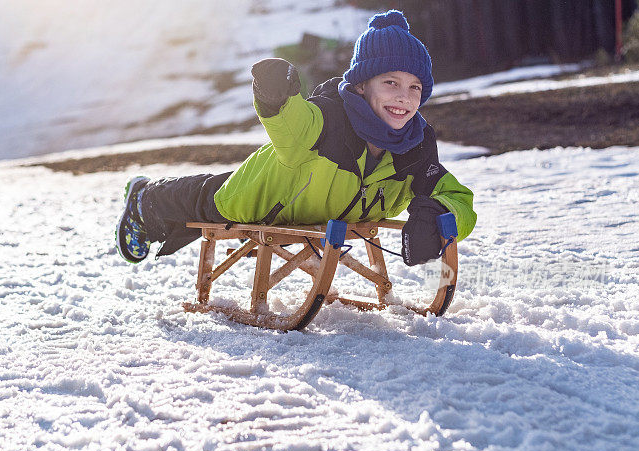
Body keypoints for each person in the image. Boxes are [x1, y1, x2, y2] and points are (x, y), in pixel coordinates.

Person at [116, 10, 476, 267]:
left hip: (324, 211)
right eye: (391, 83)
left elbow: (457, 196)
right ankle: (145, 198)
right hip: (262, 197)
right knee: (206, 199)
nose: (404, 97)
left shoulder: (416, 147)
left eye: (415, 87)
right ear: (362, 85)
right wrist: (275, 96)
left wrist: (441, 212)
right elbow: (294, 121)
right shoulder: (328, 121)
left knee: (205, 196)